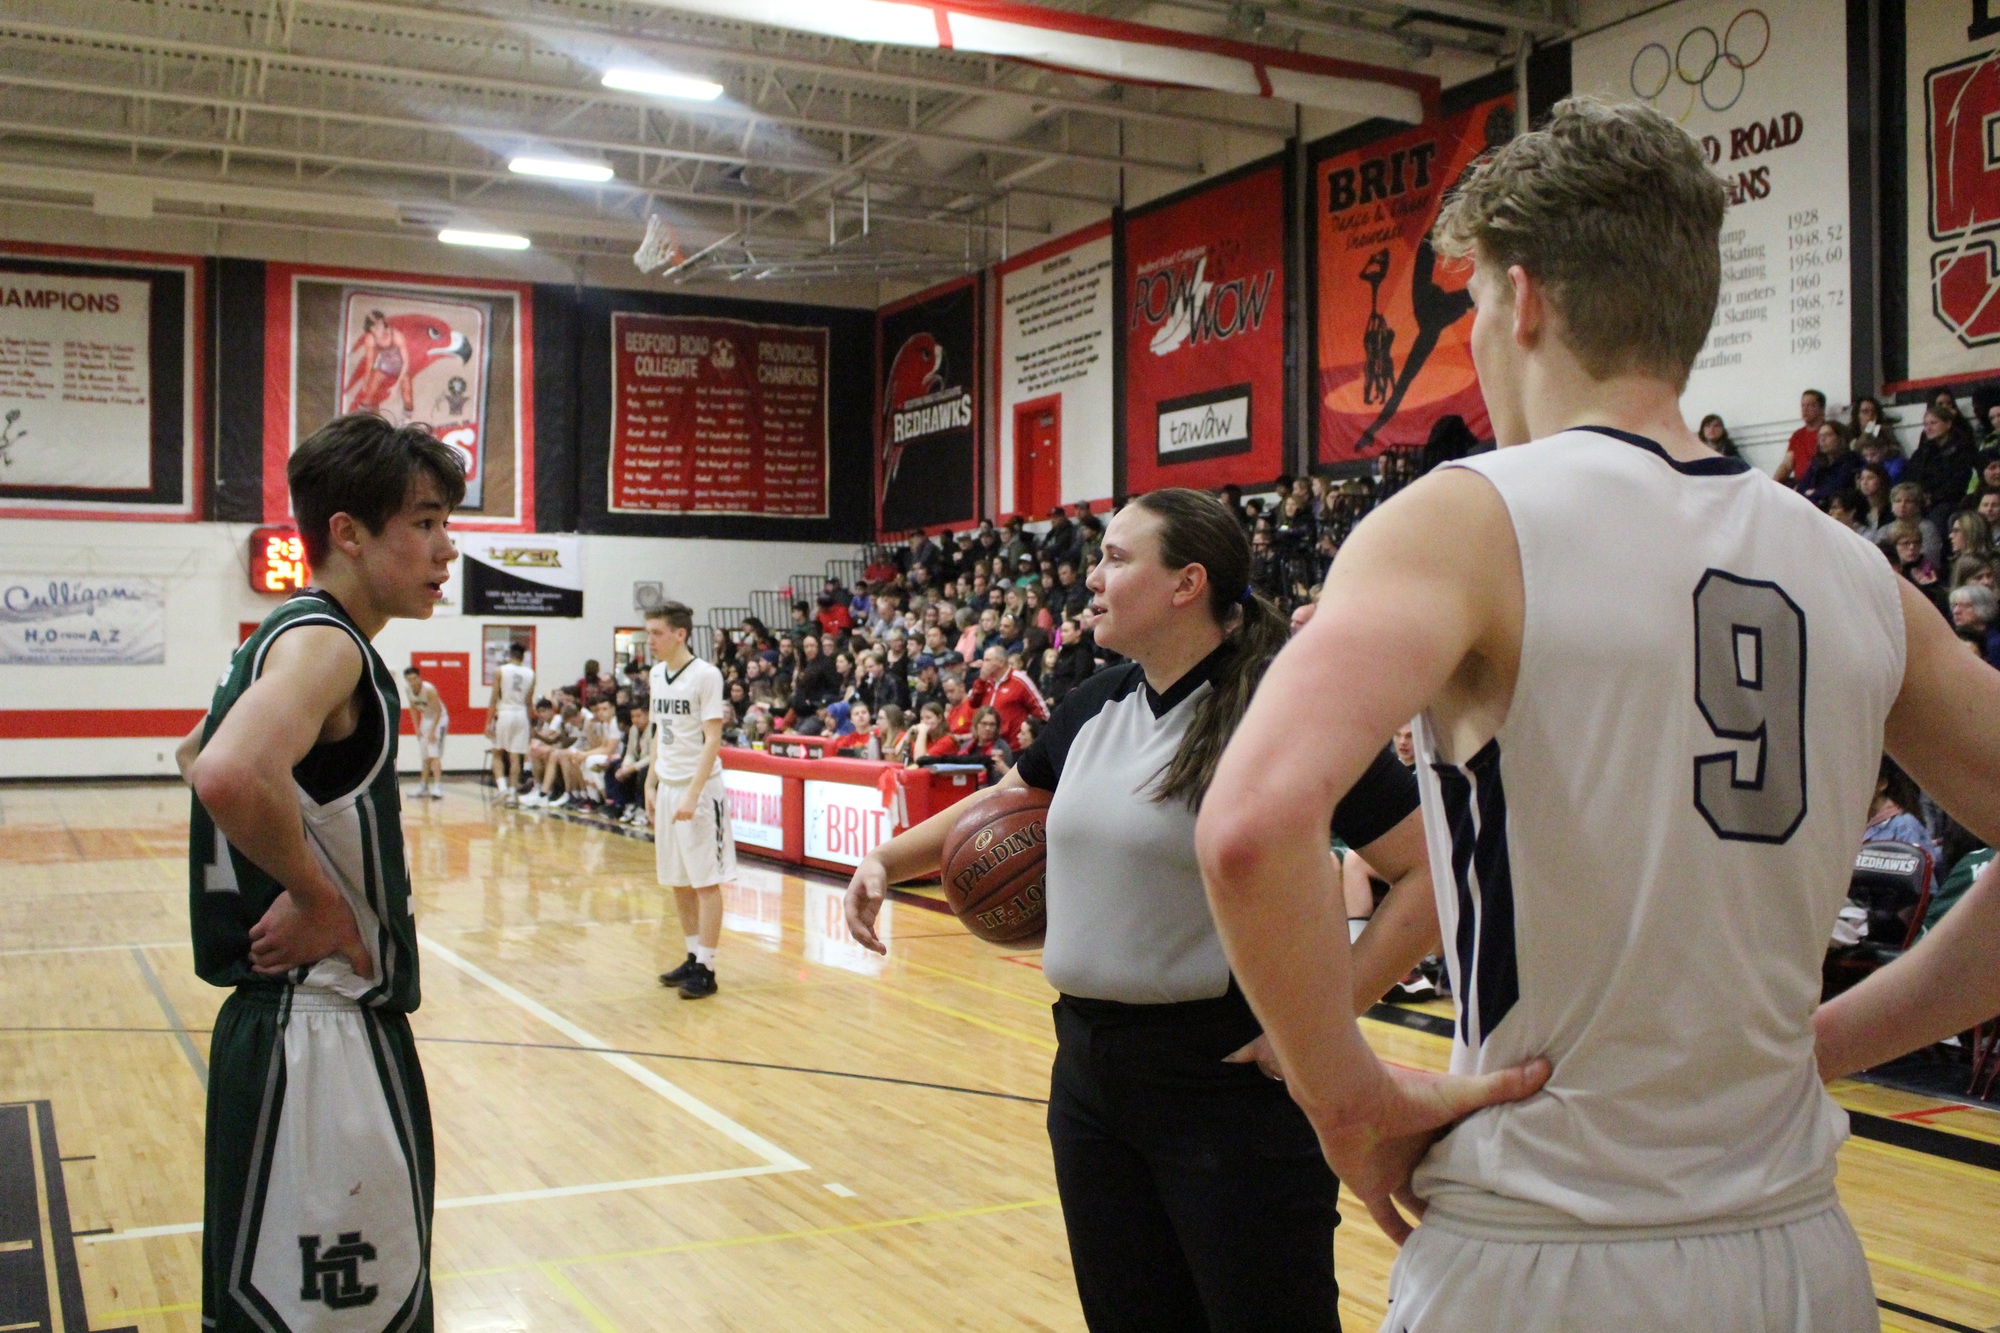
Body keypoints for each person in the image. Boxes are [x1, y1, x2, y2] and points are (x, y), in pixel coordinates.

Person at [1195, 98, 2000, 1332]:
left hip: (1549, 1248)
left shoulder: (1466, 519)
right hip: (1798, 1254)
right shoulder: (1855, 572)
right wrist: (1819, 1044)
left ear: (1520, 300)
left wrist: (1344, 1100)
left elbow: (1249, 828)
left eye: (1472, 306)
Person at [847, 488, 1441, 1333]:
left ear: (1186, 584)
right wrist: (885, 860)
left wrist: (1315, 1021)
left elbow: (1428, 873)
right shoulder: (1096, 703)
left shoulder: (1284, 711)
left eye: (1117, 558)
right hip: (1089, 1074)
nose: (1092, 576)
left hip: (1229, 1086)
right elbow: (1003, 805)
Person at [178, 413, 461, 1333]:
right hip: (319, 1032)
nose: (446, 548)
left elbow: (193, 749)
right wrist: (317, 895)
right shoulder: (330, 643)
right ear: (348, 532)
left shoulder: (278, 637)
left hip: (281, 1032)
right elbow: (226, 771)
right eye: (424, 522)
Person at [645, 601, 732, 1001]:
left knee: (705, 880)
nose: (650, 641)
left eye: (656, 633)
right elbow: (658, 732)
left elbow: (713, 739)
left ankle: (708, 967)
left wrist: (693, 795)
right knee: (678, 880)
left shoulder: (706, 675)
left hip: (700, 789)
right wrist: (651, 782)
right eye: (648, 633)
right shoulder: (656, 674)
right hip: (668, 786)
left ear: (680, 634)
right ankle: (693, 955)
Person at [966, 643, 1049, 743]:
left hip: (1013, 743)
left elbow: (1042, 713)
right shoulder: (985, 681)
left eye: (987, 660)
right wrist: (981, 681)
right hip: (987, 744)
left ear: (1001, 662)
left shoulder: (1020, 680)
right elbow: (973, 703)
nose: (983, 664)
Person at [487, 641, 533, 805]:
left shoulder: (500, 671)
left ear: (510, 655)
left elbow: (494, 698)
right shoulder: (531, 673)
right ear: (523, 656)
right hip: (521, 714)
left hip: (505, 712)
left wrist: (488, 722)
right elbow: (529, 702)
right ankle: (513, 794)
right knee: (515, 757)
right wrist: (531, 725)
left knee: (497, 753)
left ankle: (502, 789)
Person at [403, 665, 447, 800]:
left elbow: (439, 711)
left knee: (434, 755)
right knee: (425, 756)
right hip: (426, 719)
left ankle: (438, 787)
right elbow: (412, 708)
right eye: (409, 679)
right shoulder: (408, 690)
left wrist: (433, 730)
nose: (413, 682)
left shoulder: (429, 689)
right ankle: (423, 786)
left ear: (419, 678)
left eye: (415, 678)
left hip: (439, 719)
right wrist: (416, 728)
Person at [1773, 388, 1827, 486]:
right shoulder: (1797, 435)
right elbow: (1786, 465)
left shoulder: (1829, 432)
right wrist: (1773, 483)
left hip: (1819, 483)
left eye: (1810, 405)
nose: (1805, 409)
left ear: (1822, 409)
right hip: (1798, 484)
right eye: (1803, 405)